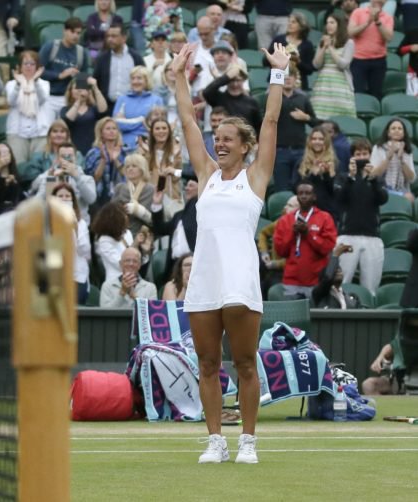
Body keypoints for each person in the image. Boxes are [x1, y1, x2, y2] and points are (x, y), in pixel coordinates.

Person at [172, 40, 291, 463]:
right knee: (207, 363)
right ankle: (216, 440)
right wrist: (178, 76)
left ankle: (248, 441)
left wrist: (278, 71)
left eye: (227, 139)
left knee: (244, 363)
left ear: (245, 145)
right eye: (216, 138)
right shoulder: (205, 174)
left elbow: (273, 120)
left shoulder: (256, 176)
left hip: (241, 278)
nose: (218, 144)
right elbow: (187, 117)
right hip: (204, 277)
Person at [336, 138, 387, 294]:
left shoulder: (376, 178)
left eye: (365, 154)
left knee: (370, 287)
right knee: (341, 282)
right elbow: (339, 198)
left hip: (372, 236)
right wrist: (351, 178)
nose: (361, 157)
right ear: (352, 157)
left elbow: (383, 199)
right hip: (347, 236)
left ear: (370, 156)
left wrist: (372, 180)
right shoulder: (345, 177)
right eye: (358, 154)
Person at [273, 180, 338, 299]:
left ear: (314, 197)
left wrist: (308, 234)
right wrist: (293, 234)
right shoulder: (285, 220)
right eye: (300, 193)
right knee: (292, 316)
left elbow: (327, 248)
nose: (303, 196)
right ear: (297, 196)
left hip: (316, 281)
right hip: (291, 281)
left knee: (314, 316)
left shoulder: (325, 218)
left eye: (307, 193)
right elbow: (280, 251)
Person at [273, 64, 319, 192]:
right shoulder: (272, 98)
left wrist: (306, 118)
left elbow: (316, 123)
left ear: (295, 79)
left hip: (300, 150)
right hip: (280, 150)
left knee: (302, 188)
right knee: (281, 188)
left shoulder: (303, 99)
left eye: (291, 76)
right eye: (285, 76)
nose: (288, 79)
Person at [31, 141, 97, 223]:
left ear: (76, 157)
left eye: (70, 156)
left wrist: (77, 177)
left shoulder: (86, 179)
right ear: (58, 159)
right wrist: (51, 179)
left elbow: (91, 199)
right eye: (63, 156)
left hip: (79, 225)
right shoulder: (51, 176)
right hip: (55, 224)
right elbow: (37, 201)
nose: (67, 159)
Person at [39, 17, 90, 119]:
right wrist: (60, 75)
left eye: (78, 33)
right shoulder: (51, 46)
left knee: (65, 132)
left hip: (69, 99)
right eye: (72, 32)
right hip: (48, 97)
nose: (75, 36)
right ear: (64, 31)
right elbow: (38, 71)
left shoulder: (81, 52)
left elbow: (83, 80)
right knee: (46, 131)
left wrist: (77, 79)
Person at [4, 50, 50, 164]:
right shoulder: (11, 84)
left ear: (37, 67)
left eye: (32, 63)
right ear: (19, 67)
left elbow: (42, 99)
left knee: (37, 167)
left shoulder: (44, 84)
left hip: (39, 133)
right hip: (17, 133)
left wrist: (35, 81)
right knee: (18, 165)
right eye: (25, 63)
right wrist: (18, 84)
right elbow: (11, 101)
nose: (29, 66)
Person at [151, 174, 198, 280]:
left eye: (191, 185)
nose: (186, 188)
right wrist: (157, 204)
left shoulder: (201, 210)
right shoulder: (179, 215)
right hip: (174, 265)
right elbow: (160, 229)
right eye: (186, 186)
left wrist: (175, 172)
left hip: (195, 263)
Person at [51, 183, 91, 304]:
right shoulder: (47, 222)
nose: (64, 199)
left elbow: (85, 251)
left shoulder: (81, 223)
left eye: (67, 196)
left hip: (77, 277)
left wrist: (75, 228)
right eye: (60, 196)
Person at [93, 22, 145, 114]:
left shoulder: (135, 57)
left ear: (124, 38)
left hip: (131, 106)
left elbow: (145, 80)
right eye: (108, 36)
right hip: (107, 107)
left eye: (114, 36)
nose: (110, 39)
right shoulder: (102, 59)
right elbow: (96, 82)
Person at [311, 13, 356, 119]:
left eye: (332, 22)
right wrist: (323, 47)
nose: (329, 25)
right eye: (327, 23)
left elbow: (343, 65)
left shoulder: (349, 43)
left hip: (340, 83)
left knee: (340, 116)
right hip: (323, 83)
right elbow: (316, 64)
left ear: (339, 25)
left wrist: (330, 47)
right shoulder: (322, 42)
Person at [348, 0, 394, 100]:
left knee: (376, 94)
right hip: (358, 60)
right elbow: (350, 32)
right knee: (357, 93)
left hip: (379, 61)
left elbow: (389, 38)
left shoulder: (388, 17)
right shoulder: (358, 12)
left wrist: (377, 22)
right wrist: (368, 22)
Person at [112, 66, 164, 151]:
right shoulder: (122, 99)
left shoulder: (156, 100)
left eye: (139, 78)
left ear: (147, 80)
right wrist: (142, 120)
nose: (135, 81)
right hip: (125, 146)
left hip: (149, 145)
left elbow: (157, 126)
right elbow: (117, 124)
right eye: (133, 78)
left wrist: (127, 121)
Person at [140, 118, 183, 220]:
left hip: (172, 198)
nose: (161, 131)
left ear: (169, 131)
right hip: (150, 199)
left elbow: (183, 173)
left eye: (164, 128)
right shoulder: (144, 152)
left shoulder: (177, 152)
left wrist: (174, 171)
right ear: (152, 132)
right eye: (157, 128)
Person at [202, 64, 262, 136]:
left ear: (243, 80)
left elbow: (259, 127)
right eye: (232, 80)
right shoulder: (219, 98)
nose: (235, 84)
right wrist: (227, 77)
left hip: (246, 143)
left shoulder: (252, 102)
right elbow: (206, 92)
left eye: (238, 80)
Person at [294, 126, 339, 221]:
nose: (317, 142)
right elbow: (295, 186)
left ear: (326, 142)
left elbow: (336, 191)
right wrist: (312, 174)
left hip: (328, 212)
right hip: (305, 211)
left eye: (321, 139)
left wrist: (327, 174)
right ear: (309, 141)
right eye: (314, 139)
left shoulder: (335, 163)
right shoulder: (301, 163)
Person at [259, 195, 300, 299]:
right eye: (286, 204)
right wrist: (264, 252)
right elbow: (263, 233)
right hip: (273, 269)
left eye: (290, 206)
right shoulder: (282, 221)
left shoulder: (303, 229)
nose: (285, 207)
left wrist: (275, 264)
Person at [264, 12, 316, 90]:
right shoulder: (278, 40)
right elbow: (265, 62)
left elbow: (309, 70)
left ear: (301, 25)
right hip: (277, 81)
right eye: (289, 21)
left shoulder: (307, 45)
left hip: (298, 85)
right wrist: (276, 57)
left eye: (293, 22)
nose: (289, 24)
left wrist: (298, 62)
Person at [84, 117, 127, 209]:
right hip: (99, 196)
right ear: (101, 133)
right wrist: (103, 160)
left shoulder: (123, 152)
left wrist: (116, 160)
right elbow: (94, 178)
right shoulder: (93, 153)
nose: (112, 131)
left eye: (114, 128)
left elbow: (126, 175)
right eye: (108, 129)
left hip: (119, 196)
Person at [60, 74, 108, 157]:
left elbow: (103, 111)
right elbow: (68, 120)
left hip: (92, 149)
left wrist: (95, 88)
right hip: (73, 150)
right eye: (76, 88)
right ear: (70, 91)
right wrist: (79, 101)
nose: (79, 90)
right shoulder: (65, 110)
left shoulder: (93, 109)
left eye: (83, 87)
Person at [369, 119, 416, 203]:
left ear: (404, 133)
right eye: (393, 128)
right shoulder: (378, 148)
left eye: (400, 128)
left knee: (410, 197)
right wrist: (388, 158)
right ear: (388, 132)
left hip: (402, 190)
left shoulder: (407, 151)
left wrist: (402, 160)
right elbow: (373, 174)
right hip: (382, 188)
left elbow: (411, 179)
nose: (397, 130)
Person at [91, 201, 135, 282]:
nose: (126, 217)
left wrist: (143, 250)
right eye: (122, 214)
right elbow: (120, 264)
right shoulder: (104, 240)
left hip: (133, 279)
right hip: (115, 281)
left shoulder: (127, 233)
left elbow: (138, 260)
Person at [111, 153, 154, 235]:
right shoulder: (120, 188)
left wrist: (139, 211)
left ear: (142, 169)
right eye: (127, 167)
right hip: (122, 234)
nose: (130, 169)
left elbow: (155, 221)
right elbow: (111, 214)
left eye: (134, 166)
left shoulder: (150, 190)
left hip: (143, 235)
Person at [311, 243, 360, 308]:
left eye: (339, 268)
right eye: (335, 269)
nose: (338, 269)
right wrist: (335, 255)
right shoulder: (319, 294)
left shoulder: (352, 299)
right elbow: (328, 278)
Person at [398, 29, 418, 96]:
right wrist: (410, 48)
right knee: (413, 101)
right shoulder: (412, 33)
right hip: (414, 73)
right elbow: (399, 51)